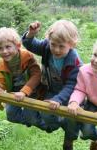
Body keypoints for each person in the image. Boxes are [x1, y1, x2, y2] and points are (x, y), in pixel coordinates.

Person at [22, 20, 83, 150]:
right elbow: (29, 44)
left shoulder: (74, 61)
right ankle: (55, 125)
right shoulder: (46, 47)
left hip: (69, 94)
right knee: (46, 110)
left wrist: (59, 99)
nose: (56, 49)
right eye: (53, 44)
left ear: (71, 44)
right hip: (51, 89)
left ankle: (69, 138)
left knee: (72, 118)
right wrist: (31, 34)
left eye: (61, 46)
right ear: (49, 40)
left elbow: (72, 85)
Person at [0, 27, 42, 127]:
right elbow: (1, 80)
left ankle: (45, 125)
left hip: (31, 91)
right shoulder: (1, 63)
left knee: (30, 115)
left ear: (17, 46)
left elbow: (36, 75)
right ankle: (30, 121)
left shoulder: (27, 57)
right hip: (14, 93)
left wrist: (24, 92)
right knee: (11, 115)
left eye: (8, 47)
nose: (4, 51)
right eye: (0, 48)